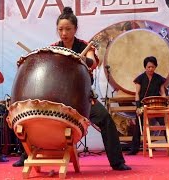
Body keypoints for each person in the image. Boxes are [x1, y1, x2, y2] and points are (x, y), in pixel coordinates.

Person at [13, 7, 131, 171]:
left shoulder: (84, 46)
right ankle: (26, 156)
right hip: (58, 97)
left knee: (105, 119)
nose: (64, 33)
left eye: (68, 29)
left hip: (82, 98)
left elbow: (93, 62)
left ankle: (117, 162)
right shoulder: (54, 48)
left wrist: (81, 59)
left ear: (75, 29)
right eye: (60, 29)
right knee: (33, 116)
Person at [126, 56, 169, 157]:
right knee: (138, 127)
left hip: (156, 105)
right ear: (145, 67)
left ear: (155, 67)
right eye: (148, 67)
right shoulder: (140, 78)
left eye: (152, 67)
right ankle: (133, 150)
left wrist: (165, 103)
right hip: (143, 106)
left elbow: (163, 93)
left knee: (166, 126)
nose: (150, 69)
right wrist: (138, 107)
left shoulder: (159, 78)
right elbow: (137, 93)